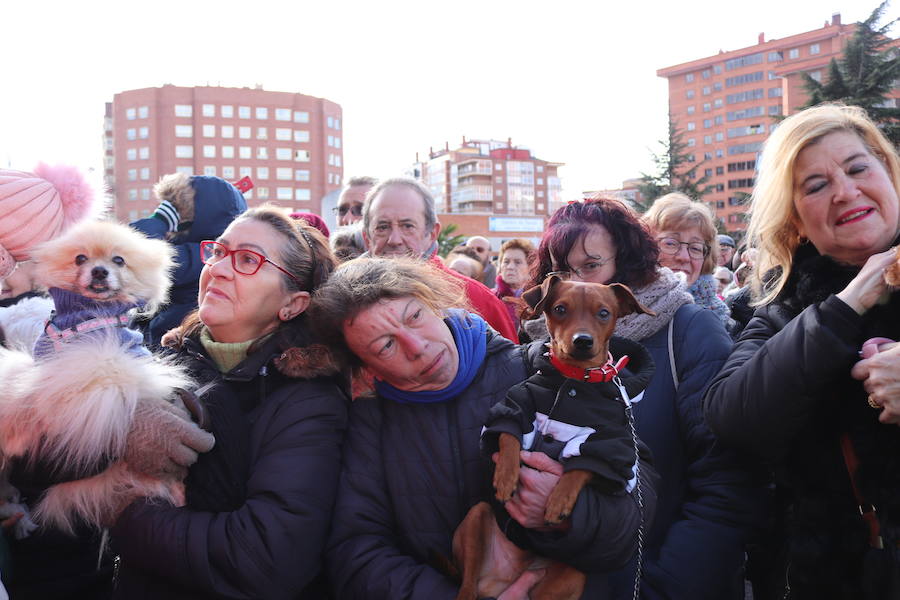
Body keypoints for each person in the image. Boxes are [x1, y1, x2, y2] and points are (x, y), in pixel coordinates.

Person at [313, 257, 657, 599]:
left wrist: (573, 515)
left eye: (415, 317)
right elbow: (356, 552)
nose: (417, 348)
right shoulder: (371, 422)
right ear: (365, 368)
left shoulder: (541, 370)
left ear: (435, 303)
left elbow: (637, 508)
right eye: (385, 345)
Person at [704, 104, 900, 599]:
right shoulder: (779, 308)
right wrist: (849, 302)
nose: (846, 191)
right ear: (795, 221)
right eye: (816, 185)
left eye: (858, 168)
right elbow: (733, 416)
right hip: (839, 573)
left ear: (888, 173)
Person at [522, 197, 764, 600]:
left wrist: (664, 585)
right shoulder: (540, 350)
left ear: (627, 261)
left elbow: (727, 482)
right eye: (561, 269)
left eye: (592, 265)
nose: (577, 280)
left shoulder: (687, 330)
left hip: (661, 579)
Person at [108, 205, 348, 599]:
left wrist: (121, 512)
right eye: (218, 252)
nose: (218, 268)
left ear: (294, 304)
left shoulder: (308, 401)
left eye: (248, 260)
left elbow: (266, 557)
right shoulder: (160, 363)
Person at [361, 177, 517, 341]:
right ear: (367, 238)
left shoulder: (479, 301)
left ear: (432, 234)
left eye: (407, 226)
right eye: (382, 227)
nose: (394, 239)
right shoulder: (347, 305)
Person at [131, 172, 247, 346]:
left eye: (177, 208)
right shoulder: (194, 248)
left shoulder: (205, 255)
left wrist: (159, 220)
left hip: (168, 343)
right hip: (162, 336)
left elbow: (131, 253)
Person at [642, 193, 733, 330]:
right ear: (644, 246)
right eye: (671, 243)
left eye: (695, 248)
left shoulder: (721, 322)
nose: (684, 257)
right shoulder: (613, 307)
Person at [493, 237, 535, 331]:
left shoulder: (538, 299)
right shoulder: (490, 296)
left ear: (530, 267)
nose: (510, 267)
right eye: (506, 262)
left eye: (517, 262)